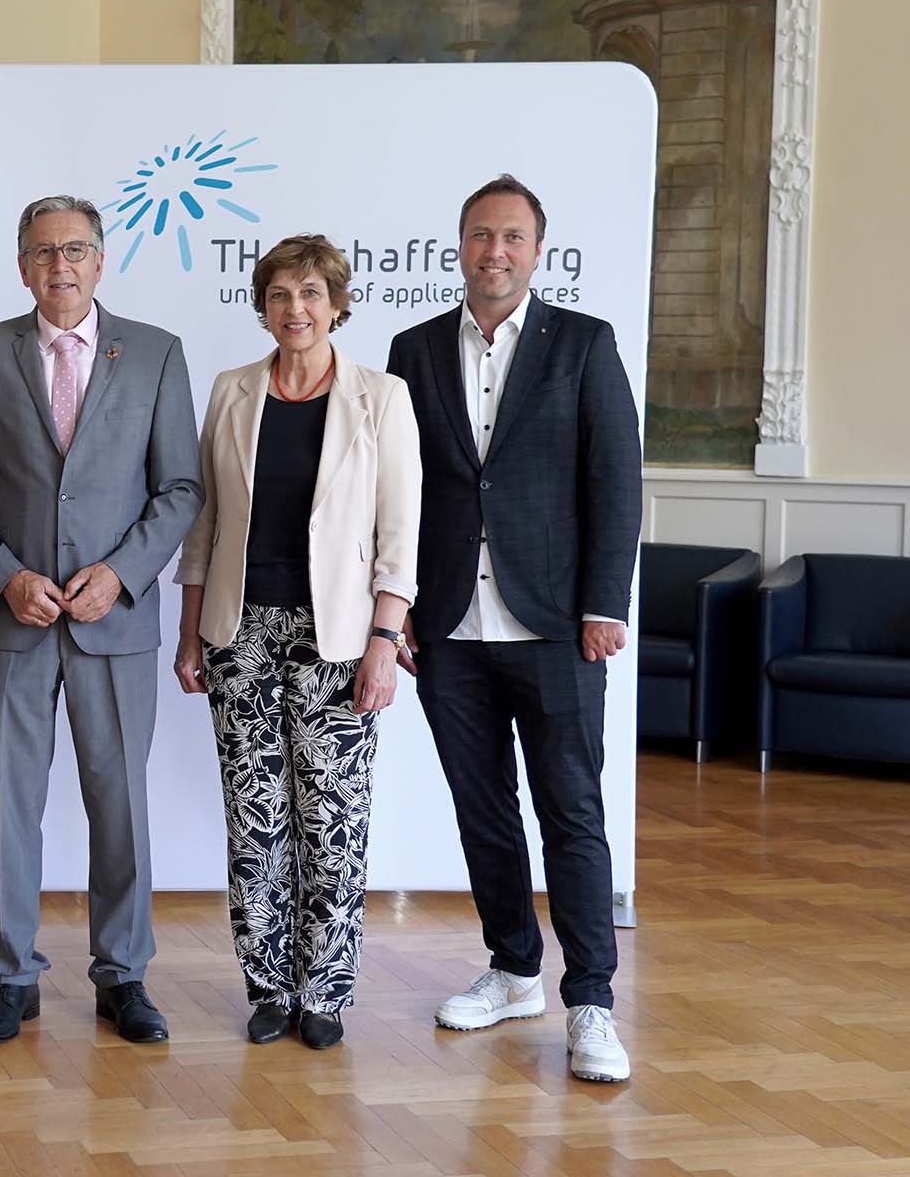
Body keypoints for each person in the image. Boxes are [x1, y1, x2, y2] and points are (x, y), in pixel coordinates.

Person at [385, 174, 642, 1083]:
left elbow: (616, 480)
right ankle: (512, 968)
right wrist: (398, 605)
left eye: (513, 237)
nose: (496, 251)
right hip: (449, 625)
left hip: (558, 626)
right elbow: (400, 490)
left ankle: (592, 1003)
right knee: (483, 808)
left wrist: (606, 603)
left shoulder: (583, 344)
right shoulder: (411, 349)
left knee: (571, 810)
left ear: (538, 250)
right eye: (481, 235)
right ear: (458, 245)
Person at [0, 195, 203, 1045]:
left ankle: (123, 976)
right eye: (44, 251)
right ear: (22, 266)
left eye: (76, 249)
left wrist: (121, 575)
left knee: (118, 801)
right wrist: (4, 575)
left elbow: (181, 490)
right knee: (10, 806)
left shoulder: (157, 354)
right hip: (14, 622)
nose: (61, 265)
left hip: (115, 624)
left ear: (100, 259)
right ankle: (11, 978)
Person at [172, 235, 421, 1050]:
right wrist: (189, 635)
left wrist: (385, 640)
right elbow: (205, 524)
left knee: (334, 818)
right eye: (280, 294)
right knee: (255, 818)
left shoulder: (381, 397)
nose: (296, 309)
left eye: (311, 292)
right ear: (263, 306)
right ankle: (269, 986)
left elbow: (398, 533)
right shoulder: (233, 391)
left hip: (341, 638)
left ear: (338, 302)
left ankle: (326, 991)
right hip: (239, 632)